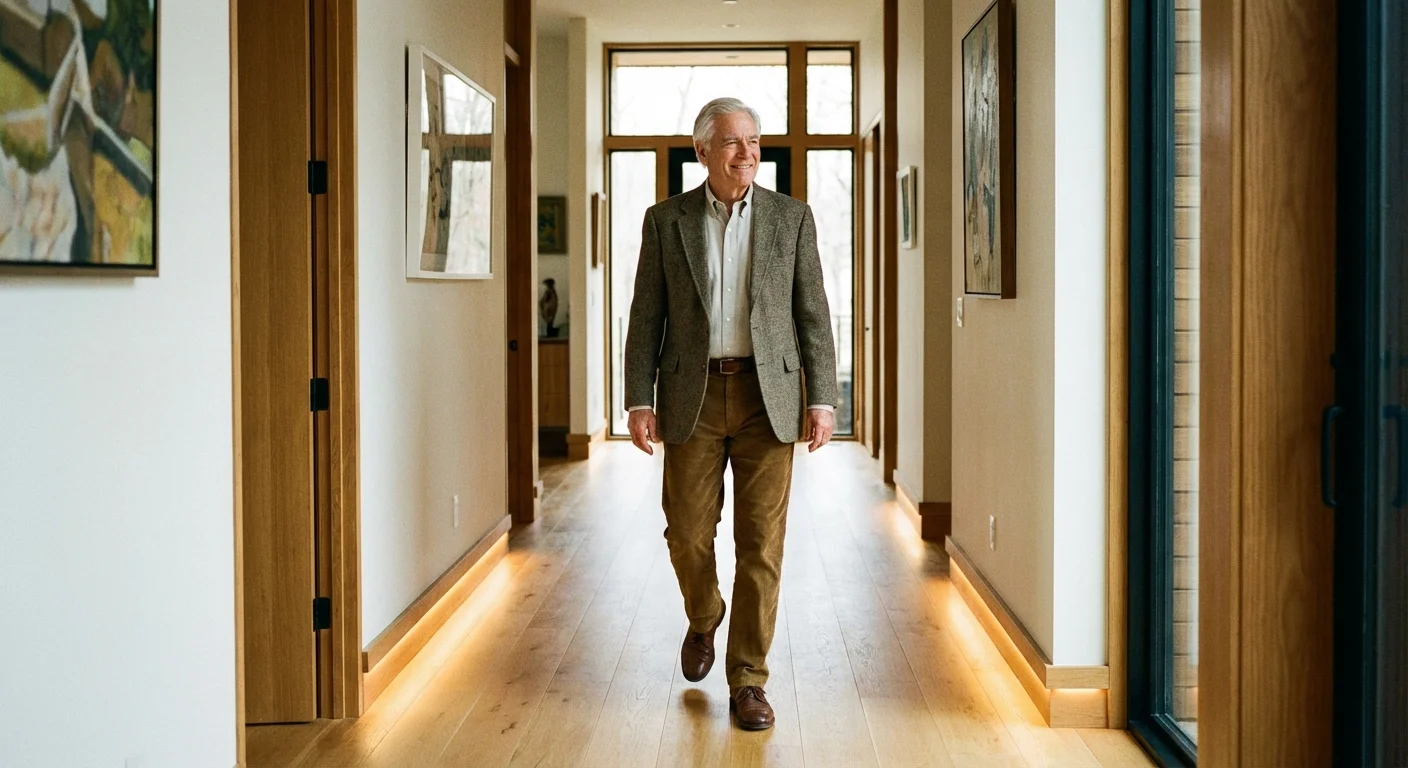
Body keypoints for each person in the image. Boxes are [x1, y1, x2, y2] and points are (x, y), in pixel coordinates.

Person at [623, 96, 839, 731]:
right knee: (687, 532)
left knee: (762, 545)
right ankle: (704, 611)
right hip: (690, 395)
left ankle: (748, 678)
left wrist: (822, 398)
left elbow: (813, 314)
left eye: (753, 141)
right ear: (702, 153)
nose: (747, 154)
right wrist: (639, 399)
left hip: (767, 398)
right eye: (731, 143)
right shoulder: (666, 221)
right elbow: (645, 317)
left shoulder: (791, 218)